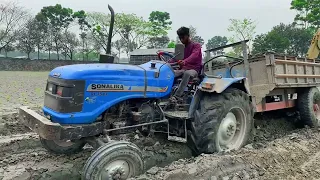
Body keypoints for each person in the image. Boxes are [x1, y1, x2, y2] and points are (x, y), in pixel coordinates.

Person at [170, 26, 202, 102]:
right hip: (183, 69)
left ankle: (177, 96)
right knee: (170, 73)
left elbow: (194, 55)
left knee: (187, 73)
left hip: (194, 70)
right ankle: (166, 94)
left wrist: (185, 61)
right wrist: (166, 64)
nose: (181, 40)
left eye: (183, 38)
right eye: (180, 38)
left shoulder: (196, 46)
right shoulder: (181, 48)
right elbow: (175, 58)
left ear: (188, 36)